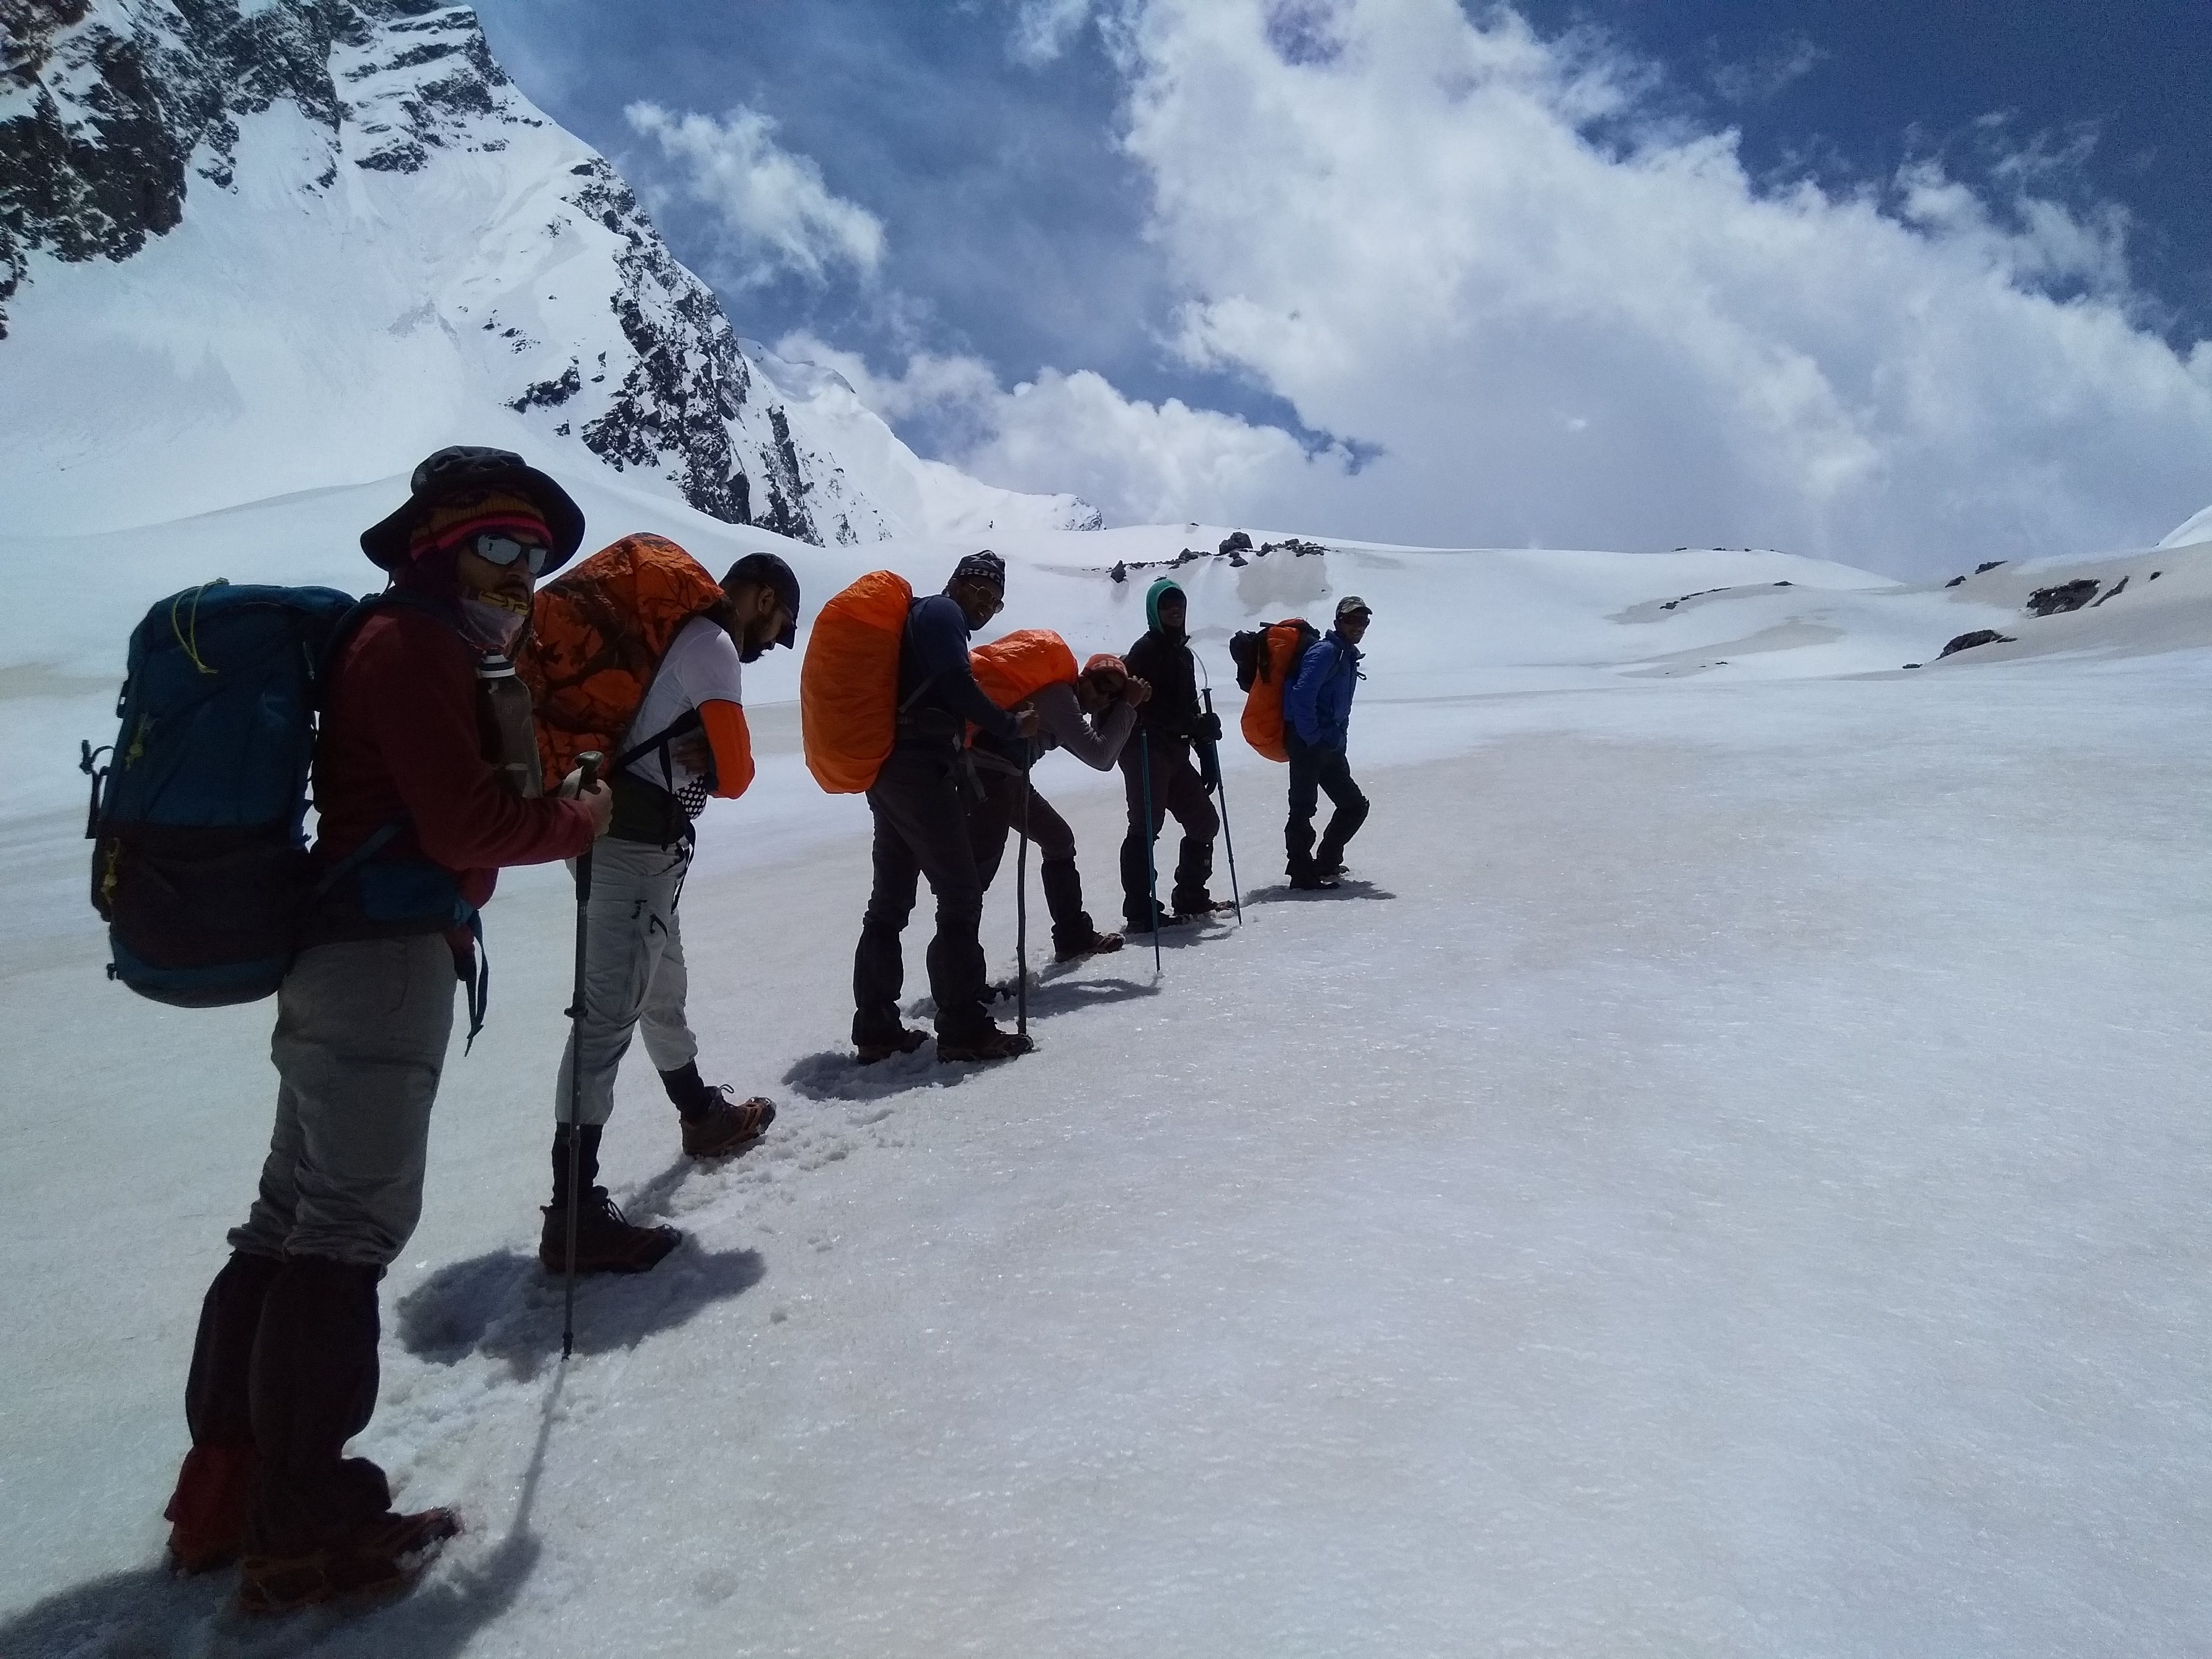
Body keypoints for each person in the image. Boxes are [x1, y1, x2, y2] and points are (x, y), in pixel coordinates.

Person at [162, 447, 613, 1614]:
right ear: (438, 541)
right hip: (387, 954)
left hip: (342, 952)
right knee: (348, 1229)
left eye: (537, 556)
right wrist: (574, 821)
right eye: (500, 546)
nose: (522, 573)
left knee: (288, 1218)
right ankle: (306, 1525)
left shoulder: (404, 641)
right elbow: (462, 818)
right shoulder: (413, 646)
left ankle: (227, 1487)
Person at [539, 549, 803, 1276]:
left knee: (661, 984)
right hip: (633, 846)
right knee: (605, 1018)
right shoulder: (712, 643)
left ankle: (700, 1114)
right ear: (762, 597)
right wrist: (719, 761)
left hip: (628, 841)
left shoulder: (673, 640)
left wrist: (709, 757)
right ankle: (573, 1213)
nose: (770, 642)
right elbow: (742, 775)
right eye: (777, 625)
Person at [852, 551, 1041, 1063]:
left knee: (889, 903)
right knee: (960, 893)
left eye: (995, 600)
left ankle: (877, 1028)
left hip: (894, 770)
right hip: (919, 771)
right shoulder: (942, 614)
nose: (986, 605)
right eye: (981, 591)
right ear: (958, 583)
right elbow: (958, 685)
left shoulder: (928, 616)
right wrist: (1008, 725)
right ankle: (961, 1028)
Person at [969, 652, 1150, 963]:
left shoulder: (1067, 703)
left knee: (1057, 840)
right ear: (1083, 679)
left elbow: (1098, 749)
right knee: (974, 878)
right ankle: (962, 985)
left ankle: (1072, 937)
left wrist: (1121, 707)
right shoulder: (1059, 698)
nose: (1104, 697)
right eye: (1101, 685)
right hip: (989, 776)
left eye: (1112, 694)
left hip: (1005, 777)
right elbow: (1101, 756)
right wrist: (1127, 705)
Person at [1118, 577, 1229, 930]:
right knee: (1145, 826)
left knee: (1204, 822)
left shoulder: (1183, 654)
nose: (1174, 608)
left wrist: (1204, 746)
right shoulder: (1145, 651)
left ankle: (1190, 895)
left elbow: (1188, 707)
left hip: (1175, 752)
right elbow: (1142, 706)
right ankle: (1139, 910)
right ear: (1154, 610)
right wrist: (1193, 726)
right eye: (1166, 604)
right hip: (1144, 748)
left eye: (1178, 601)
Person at [1283, 594, 1372, 890]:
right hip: (1308, 742)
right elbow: (1301, 696)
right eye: (1352, 619)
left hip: (1329, 745)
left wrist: (1335, 742)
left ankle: (1326, 861)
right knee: (1303, 808)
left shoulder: (1346, 656)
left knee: (1353, 806)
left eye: (1363, 620)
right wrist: (1313, 739)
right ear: (1338, 621)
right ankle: (1301, 872)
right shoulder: (1325, 652)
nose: (1358, 625)